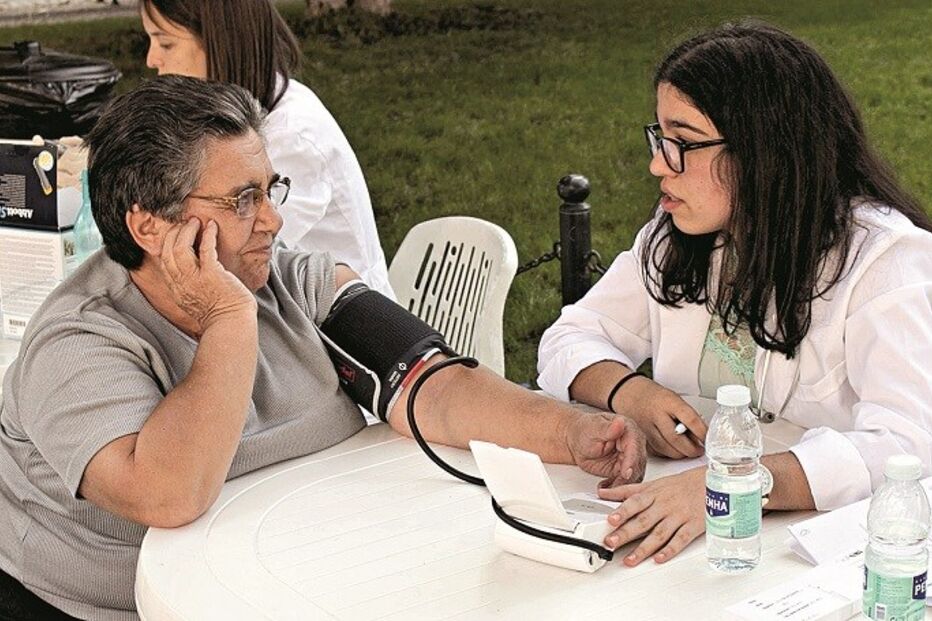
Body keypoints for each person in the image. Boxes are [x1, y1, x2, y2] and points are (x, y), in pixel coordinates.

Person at [0, 76, 646, 621]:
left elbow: (435, 384)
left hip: (300, 571)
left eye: (269, 188)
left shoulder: (291, 277)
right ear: (149, 223)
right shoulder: (77, 344)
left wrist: (574, 431)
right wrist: (228, 321)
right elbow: (170, 495)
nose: (273, 220)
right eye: (242, 199)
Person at [537, 20, 932, 568]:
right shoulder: (677, 235)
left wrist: (730, 486)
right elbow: (572, 334)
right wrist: (630, 393)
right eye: (660, 137)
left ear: (766, 149)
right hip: (689, 539)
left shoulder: (887, 262)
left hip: (822, 559)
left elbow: (905, 448)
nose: (657, 164)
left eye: (684, 143)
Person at [139, 0, 395, 299]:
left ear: (223, 42)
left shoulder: (291, 136)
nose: (151, 59)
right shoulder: (241, 119)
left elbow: (235, 256)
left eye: (166, 43)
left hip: (339, 322)